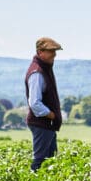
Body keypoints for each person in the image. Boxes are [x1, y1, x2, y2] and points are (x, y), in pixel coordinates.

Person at [25, 37, 63, 171]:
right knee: (40, 160)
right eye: (51, 51)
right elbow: (34, 103)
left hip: (46, 124)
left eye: (55, 51)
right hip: (41, 123)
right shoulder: (37, 72)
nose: (54, 54)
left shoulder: (44, 69)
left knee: (51, 159)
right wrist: (52, 115)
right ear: (40, 51)